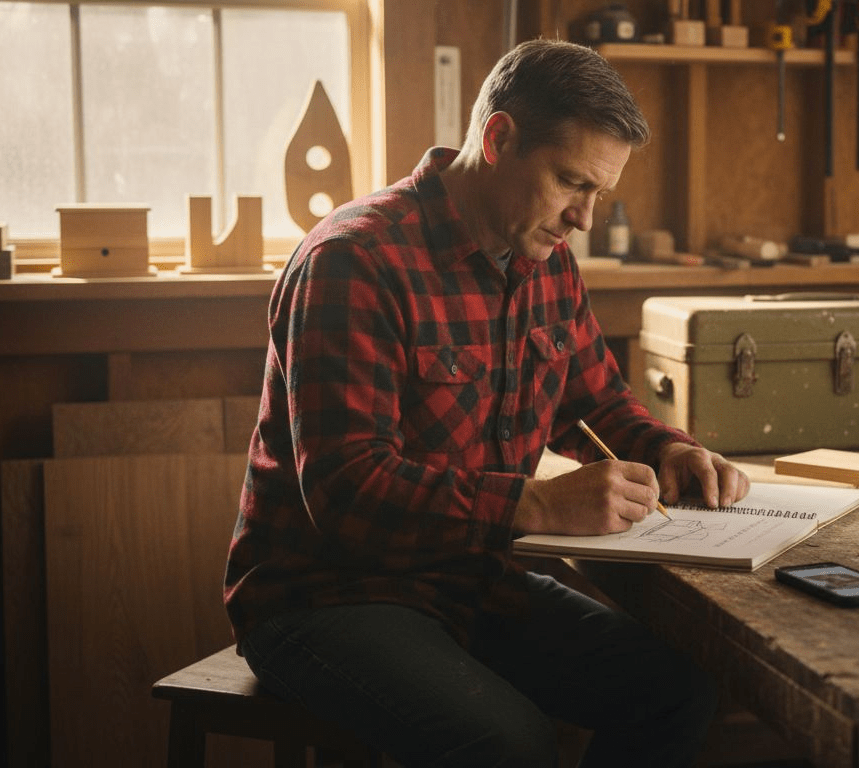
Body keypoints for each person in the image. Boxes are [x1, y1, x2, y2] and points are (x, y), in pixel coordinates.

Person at [224, 38, 750, 767]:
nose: (584, 219)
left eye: (599, 194)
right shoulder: (353, 260)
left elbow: (596, 402)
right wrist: (535, 505)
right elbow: (347, 492)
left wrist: (669, 449)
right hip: (323, 598)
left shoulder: (546, 259)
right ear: (498, 139)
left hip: (471, 582)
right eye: (571, 182)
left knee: (680, 690)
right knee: (510, 743)